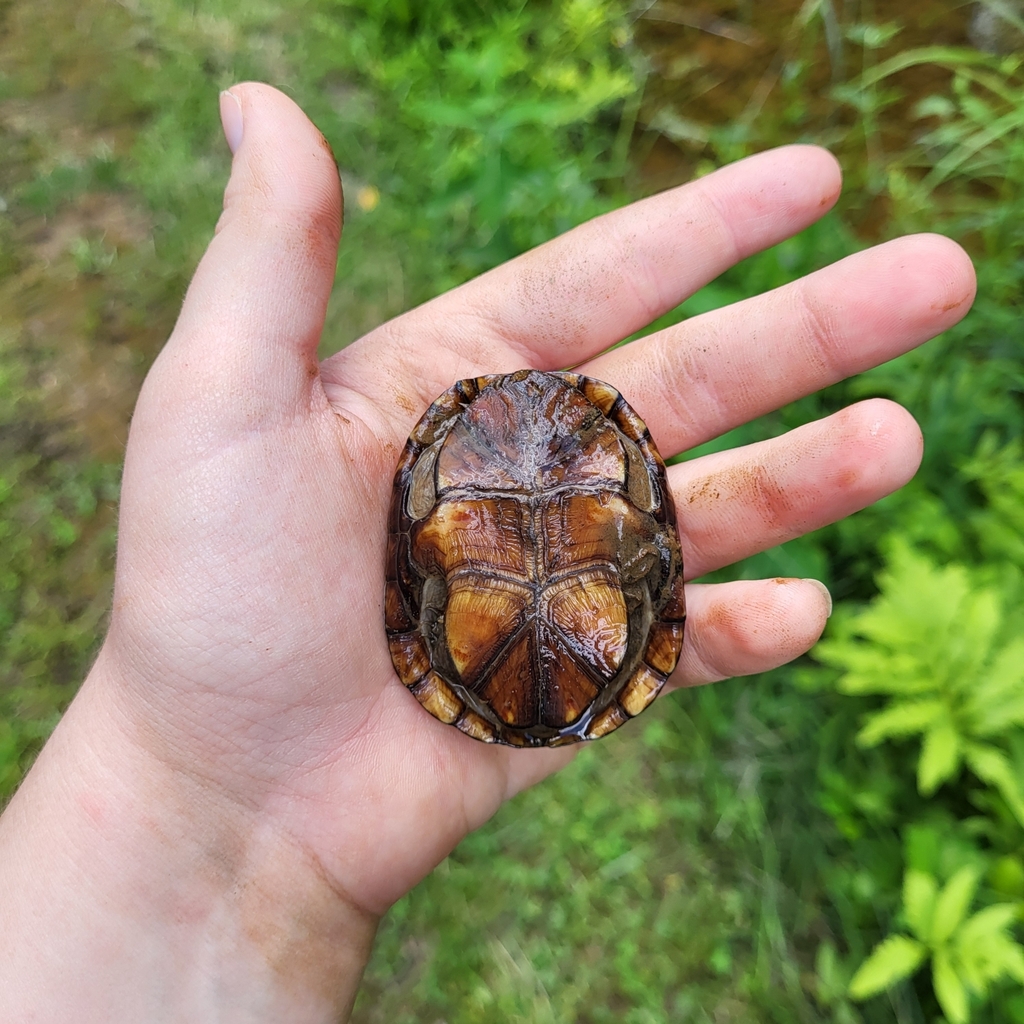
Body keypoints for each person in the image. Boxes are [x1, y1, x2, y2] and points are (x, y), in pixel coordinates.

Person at [0, 83, 975, 1022]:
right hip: (535, 487)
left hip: (495, 481)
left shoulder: (460, 550)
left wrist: (183, 792)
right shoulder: (556, 527)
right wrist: (190, 779)